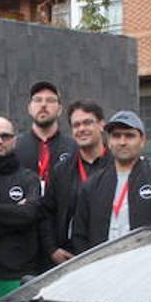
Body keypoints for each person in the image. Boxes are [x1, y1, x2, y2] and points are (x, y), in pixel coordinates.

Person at [71, 111, 151, 254]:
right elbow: (79, 235)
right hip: (103, 268)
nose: (122, 142)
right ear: (108, 141)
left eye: (129, 135)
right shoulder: (93, 184)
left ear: (142, 140)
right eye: (116, 136)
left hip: (146, 267)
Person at [40, 100, 112, 267]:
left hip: (111, 256)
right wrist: (52, 249)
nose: (81, 129)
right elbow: (46, 213)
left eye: (88, 122)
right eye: (76, 125)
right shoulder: (61, 171)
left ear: (102, 125)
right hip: (72, 259)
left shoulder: (118, 165)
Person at [0, 117, 41, 300]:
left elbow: (29, 214)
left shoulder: (29, 178)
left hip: (19, 275)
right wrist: (14, 214)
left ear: (14, 140)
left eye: (5, 136)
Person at [15, 80, 75, 194]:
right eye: (38, 100)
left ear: (60, 110)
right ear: (29, 108)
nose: (43, 105)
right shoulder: (15, 146)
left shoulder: (73, 148)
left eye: (50, 100)